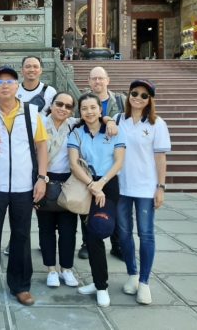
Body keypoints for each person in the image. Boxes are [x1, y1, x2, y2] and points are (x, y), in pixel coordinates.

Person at [0, 66, 47, 308]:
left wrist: (42, 178)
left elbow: (42, 147)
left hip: (24, 187)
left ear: (17, 85)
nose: (5, 85)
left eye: (10, 81)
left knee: (21, 236)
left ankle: (21, 285)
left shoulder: (32, 113)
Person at [115, 80, 171, 305]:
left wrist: (161, 187)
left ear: (150, 100)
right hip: (121, 185)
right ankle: (132, 274)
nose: (137, 98)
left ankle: (145, 282)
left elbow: (160, 158)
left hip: (146, 187)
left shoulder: (157, 124)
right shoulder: (120, 120)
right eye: (134, 93)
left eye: (143, 95)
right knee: (124, 233)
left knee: (146, 234)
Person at [69, 93, 125, 307]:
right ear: (80, 112)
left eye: (93, 107)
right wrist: (92, 185)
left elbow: (119, 162)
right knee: (90, 237)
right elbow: (74, 164)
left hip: (108, 185)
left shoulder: (113, 131)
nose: (89, 112)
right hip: (86, 185)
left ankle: (109, 282)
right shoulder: (76, 134)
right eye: (84, 108)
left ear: (101, 110)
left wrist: (101, 184)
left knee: (100, 227)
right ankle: (100, 284)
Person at [77, 66, 126, 260]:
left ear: (108, 80)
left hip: (113, 162)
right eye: (94, 79)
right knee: (87, 207)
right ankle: (87, 243)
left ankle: (117, 244)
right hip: (89, 162)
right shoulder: (84, 100)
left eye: (100, 78)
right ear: (89, 82)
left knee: (114, 206)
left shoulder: (119, 101)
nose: (97, 82)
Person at [37, 92, 80, 289]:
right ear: (51, 104)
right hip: (44, 180)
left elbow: (97, 118)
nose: (63, 108)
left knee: (68, 229)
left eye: (68, 106)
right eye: (59, 104)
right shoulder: (39, 124)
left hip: (68, 183)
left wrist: (108, 120)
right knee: (45, 229)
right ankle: (51, 269)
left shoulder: (74, 125)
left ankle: (67, 268)